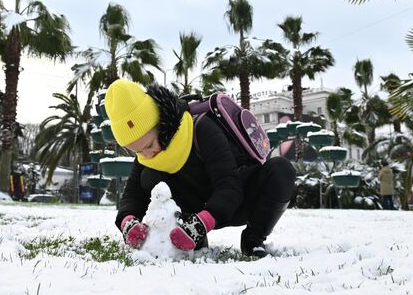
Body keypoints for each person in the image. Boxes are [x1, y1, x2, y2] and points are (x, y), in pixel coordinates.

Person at [105, 79, 296, 258]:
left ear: (161, 125)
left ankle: (253, 239)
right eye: (137, 151)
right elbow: (131, 196)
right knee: (148, 176)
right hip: (192, 210)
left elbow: (229, 186)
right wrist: (128, 223)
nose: (146, 155)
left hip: (237, 201)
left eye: (148, 145)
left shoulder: (201, 128)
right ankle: (191, 236)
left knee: (281, 170)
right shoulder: (146, 154)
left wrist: (202, 223)